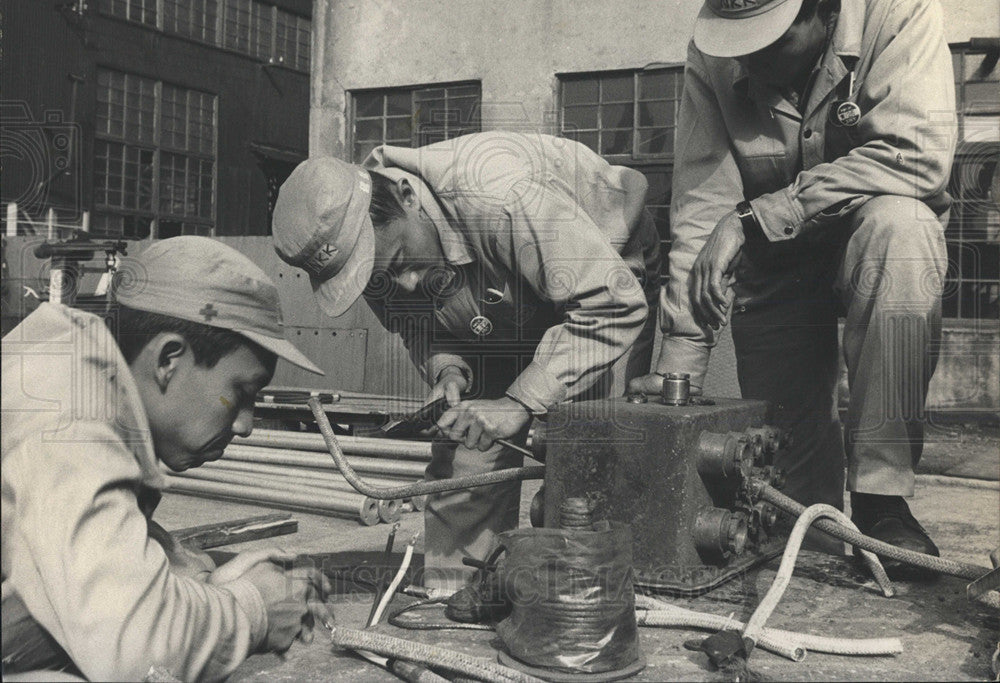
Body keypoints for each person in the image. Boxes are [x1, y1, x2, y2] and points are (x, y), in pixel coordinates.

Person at [629, 0, 956, 577]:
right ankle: (819, 519)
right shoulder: (714, 61)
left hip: (873, 244)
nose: (748, 58)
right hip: (777, 272)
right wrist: (674, 391)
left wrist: (756, 216)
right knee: (790, 526)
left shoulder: (900, 3)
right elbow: (701, 216)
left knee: (903, 226)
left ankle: (882, 501)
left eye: (770, 40)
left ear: (825, 3)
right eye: (738, 41)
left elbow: (920, 157)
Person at [273, 131, 661, 592]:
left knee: (587, 450)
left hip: (601, 264)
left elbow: (610, 305)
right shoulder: (375, 254)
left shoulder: (501, 196)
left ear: (407, 196)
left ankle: (589, 604)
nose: (410, 284)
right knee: (468, 449)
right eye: (384, 279)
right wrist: (448, 370)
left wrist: (519, 402)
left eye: (401, 262)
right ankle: (457, 593)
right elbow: (417, 325)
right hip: (502, 287)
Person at [2, 236, 329, 681]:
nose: (246, 425)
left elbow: (90, 557)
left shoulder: (82, 376)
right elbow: (135, 651)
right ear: (169, 359)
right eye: (242, 393)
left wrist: (203, 577)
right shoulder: (67, 422)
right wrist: (251, 609)